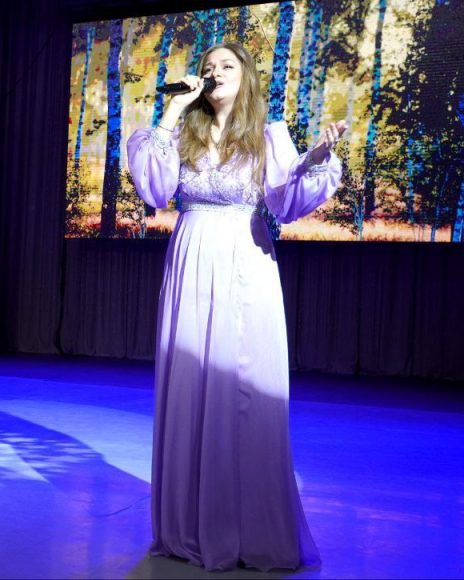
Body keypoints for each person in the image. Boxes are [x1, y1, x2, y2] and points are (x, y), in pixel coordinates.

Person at [125, 43, 346, 571]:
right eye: (208, 68)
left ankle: (250, 530)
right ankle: (188, 525)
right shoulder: (183, 133)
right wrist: (173, 109)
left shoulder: (268, 134)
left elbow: (286, 204)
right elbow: (154, 189)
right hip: (191, 260)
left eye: (227, 65)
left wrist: (315, 160)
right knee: (191, 385)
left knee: (244, 388)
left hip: (246, 262)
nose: (215, 73)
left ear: (246, 77)